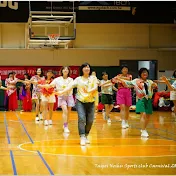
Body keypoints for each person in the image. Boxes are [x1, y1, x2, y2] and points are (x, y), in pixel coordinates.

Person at [56, 63, 98, 146]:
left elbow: (96, 87)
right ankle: (82, 136)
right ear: (82, 69)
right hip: (80, 101)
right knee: (82, 118)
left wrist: (89, 91)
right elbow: (70, 86)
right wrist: (62, 92)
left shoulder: (93, 78)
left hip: (91, 101)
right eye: (85, 67)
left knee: (90, 120)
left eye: (88, 67)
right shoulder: (78, 79)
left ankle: (86, 135)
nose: (87, 69)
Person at [114, 68, 157, 138]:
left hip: (148, 100)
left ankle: (144, 128)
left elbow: (154, 86)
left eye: (146, 72)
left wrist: (154, 85)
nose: (145, 74)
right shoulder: (136, 81)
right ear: (140, 74)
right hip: (140, 99)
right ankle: (143, 130)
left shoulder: (150, 82)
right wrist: (119, 79)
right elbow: (127, 82)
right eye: (143, 72)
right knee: (143, 114)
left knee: (148, 116)